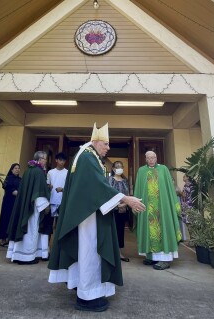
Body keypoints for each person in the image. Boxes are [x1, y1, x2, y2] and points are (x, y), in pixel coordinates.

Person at [48, 123, 145, 312]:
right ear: (95, 141)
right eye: (106, 144)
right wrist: (126, 198)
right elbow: (97, 186)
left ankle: (83, 288)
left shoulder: (86, 156)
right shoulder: (87, 157)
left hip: (87, 212)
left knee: (87, 251)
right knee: (90, 252)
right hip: (88, 216)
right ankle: (88, 296)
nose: (108, 148)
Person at [134, 150, 182, 270]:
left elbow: (169, 188)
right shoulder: (141, 171)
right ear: (145, 159)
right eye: (149, 158)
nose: (151, 160)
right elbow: (139, 189)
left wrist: (172, 205)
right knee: (148, 229)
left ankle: (164, 259)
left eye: (153, 157)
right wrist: (136, 204)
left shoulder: (163, 169)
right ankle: (151, 256)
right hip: (147, 208)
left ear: (156, 158)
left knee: (164, 228)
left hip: (162, 207)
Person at [6, 151, 51, 264]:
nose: (46, 161)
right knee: (31, 229)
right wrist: (45, 206)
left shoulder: (28, 170)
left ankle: (17, 254)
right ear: (40, 160)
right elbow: (38, 191)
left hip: (24, 205)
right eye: (45, 159)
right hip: (32, 207)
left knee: (24, 227)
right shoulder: (39, 172)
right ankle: (26, 257)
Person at [108, 161, 130, 262]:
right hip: (113, 210)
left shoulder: (125, 181)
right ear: (113, 169)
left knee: (120, 231)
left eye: (121, 166)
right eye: (117, 167)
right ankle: (111, 253)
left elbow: (127, 195)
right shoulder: (109, 180)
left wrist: (124, 205)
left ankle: (119, 253)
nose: (119, 168)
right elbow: (108, 194)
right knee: (112, 231)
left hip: (123, 210)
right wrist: (118, 205)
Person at [0, 163, 21, 246]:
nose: (17, 169)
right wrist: (14, 191)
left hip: (16, 202)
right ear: (11, 169)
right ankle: (3, 239)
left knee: (14, 219)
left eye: (18, 168)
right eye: (15, 168)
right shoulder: (8, 178)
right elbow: (6, 187)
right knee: (5, 218)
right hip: (8, 201)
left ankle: (10, 238)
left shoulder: (20, 179)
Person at [47, 152, 68, 222]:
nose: (62, 162)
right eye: (60, 160)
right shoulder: (50, 172)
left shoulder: (67, 173)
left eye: (64, 160)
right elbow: (47, 185)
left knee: (60, 221)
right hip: (52, 198)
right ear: (56, 160)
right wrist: (49, 187)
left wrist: (62, 190)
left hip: (63, 200)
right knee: (49, 221)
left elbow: (69, 186)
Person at [178, 173, 195, 241]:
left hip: (188, 206)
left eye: (184, 176)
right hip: (189, 206)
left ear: (188, 178)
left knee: (189, 223)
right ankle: (192, 239)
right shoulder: (191, 185)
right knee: (190, 223)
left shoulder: (188, 185)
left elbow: (185, 196)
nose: (183, 177)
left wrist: (179, 192)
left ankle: (192, 239)